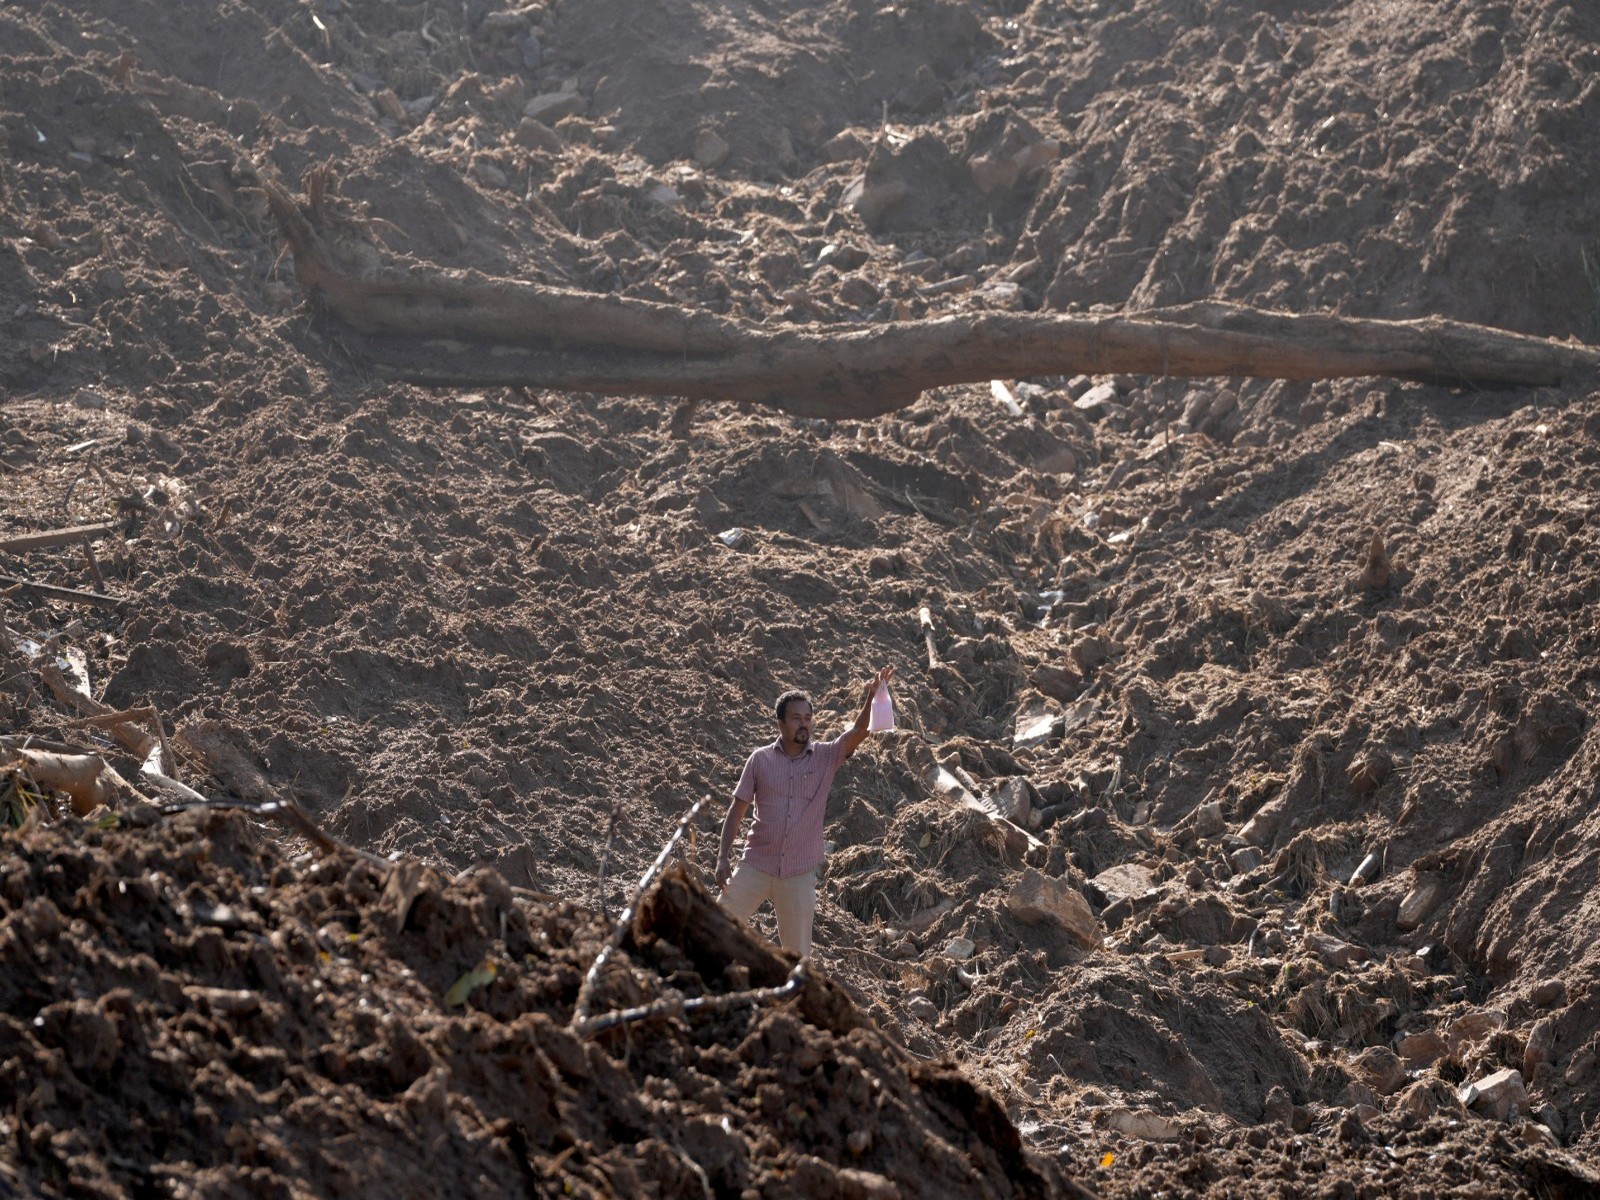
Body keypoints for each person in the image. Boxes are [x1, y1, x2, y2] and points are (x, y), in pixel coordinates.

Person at [714, 666, 895, 958]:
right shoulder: (759, 760)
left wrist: (871, 697)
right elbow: (737, 810)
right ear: (780, 724)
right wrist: (723, 858)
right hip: (756, 863)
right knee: (713, 926)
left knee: (797, 959)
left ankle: (790, 1001)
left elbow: (860, 731)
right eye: (796, 718)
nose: (804, 725)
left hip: (799, 874)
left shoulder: (825, 757)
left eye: (808, 719)